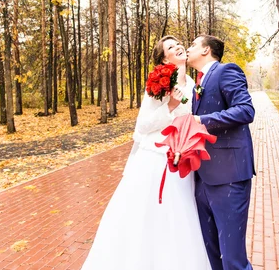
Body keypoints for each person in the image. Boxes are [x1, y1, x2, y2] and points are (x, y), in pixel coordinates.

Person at [81, 36, 211, 270]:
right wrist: (170, 106)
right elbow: (143, 125)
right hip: (156, 158)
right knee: (150, 215)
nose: (179, 47)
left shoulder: (193, 82)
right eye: (171, 47)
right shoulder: (158, 81)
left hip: (182, 159)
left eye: (179, 43)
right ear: (164, 58)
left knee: (180, 215)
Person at [186, 35, 255, 270]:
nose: (187, 48)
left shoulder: (226, 71)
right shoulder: (198, 82)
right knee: (211, 254)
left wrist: (200, 120)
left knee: (233, 258)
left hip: (229, 177)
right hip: (203, 179)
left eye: (193, 45)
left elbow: (246, 110)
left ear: (206, 50)